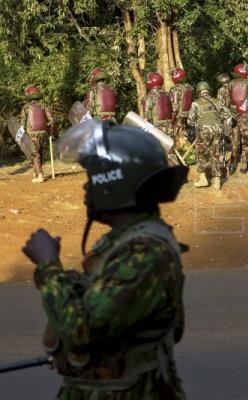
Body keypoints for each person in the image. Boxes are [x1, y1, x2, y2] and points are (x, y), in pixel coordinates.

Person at [22, 119, 188, 399]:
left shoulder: (145, 252)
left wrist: (49, 265)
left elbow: (82, 330)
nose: (86, 190)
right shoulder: (122, 241)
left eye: (91, 179)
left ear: (114, 184)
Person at [188, 81, 232, 190]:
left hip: (205, 131)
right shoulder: (217, 102)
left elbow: (190, 121)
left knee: (201, 153)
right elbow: (227, 114)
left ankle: (203, 179)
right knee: (215, 154)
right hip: (218, 130)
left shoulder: (196, 103)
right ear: (208, 90)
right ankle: (217, 181)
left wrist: (198, 123)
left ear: (199, 91)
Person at [19, 85, 55, 183]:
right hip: (43, 133)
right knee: (39, 153)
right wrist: (51, 133)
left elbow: (22, 123)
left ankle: (39, 175)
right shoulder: (44, 106)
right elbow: (51, 121)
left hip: (31, 134)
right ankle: (36, 172)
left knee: (35, 154)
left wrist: (21, 135)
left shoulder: (26, 108)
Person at [142, 71, 177, 163]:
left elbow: (147, 118)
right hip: (169, 128)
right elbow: (174, 110)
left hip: (157, 129)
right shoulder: (168, 94)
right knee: (171, 154)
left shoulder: (149, 97)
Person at [169, 67, 194, 148]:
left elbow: (175, 108)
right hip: (189, 116)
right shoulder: (190, 87)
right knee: (187, 138)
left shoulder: (175, 89)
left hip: (179, 118)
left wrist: (171, 122)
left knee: (175, 140)